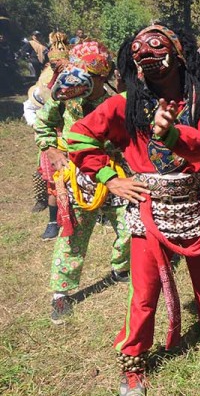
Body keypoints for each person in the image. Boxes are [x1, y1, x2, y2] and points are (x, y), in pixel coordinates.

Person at [67, 25, 200, 396]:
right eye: (142, 60)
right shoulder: (125, 104)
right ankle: (133, 361)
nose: (150, 65)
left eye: (158, 56)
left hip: (192, 202)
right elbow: (77, 136)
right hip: (148, 209)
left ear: (179, 58)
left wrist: (171, 134)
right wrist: (111, 178)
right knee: (144, 290)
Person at [34, 40, 132, 324]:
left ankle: (121, 269)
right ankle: (61, 294)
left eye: (92, 77)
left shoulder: (115, 100)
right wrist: (51, 150)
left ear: (103, 76)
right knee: (73, 236)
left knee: (129, 226)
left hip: (113, 172)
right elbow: (42, 124)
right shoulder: (63, 95)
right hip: (77, 174)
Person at [25, 32, 70, 238]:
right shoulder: (44, 87)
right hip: (55, 139)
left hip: (76, 138)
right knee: (54, 182)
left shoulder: (79, 83)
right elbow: (34, 111)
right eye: (54, 65)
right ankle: (53, 221)